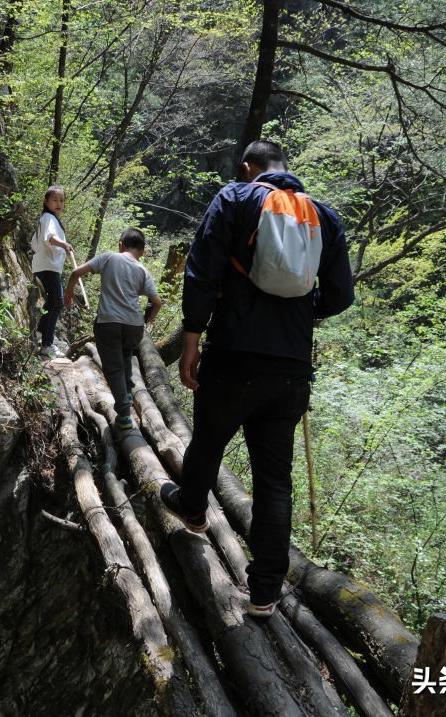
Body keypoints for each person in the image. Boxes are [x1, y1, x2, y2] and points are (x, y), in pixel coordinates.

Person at [160, 140, 354, 618]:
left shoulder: (235, 198)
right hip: (290, 369)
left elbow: (202, 272)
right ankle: (265, 591)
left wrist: (191, 339)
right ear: (287, 168)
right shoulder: (323, 218)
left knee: (207, 441)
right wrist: (303, 312)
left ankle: (192, 507)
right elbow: (341, 296)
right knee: (275, 481)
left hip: (233, 356)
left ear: (250, 168)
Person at [64, 228, 162, 430]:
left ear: (120, 245)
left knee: (114, 367)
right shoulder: (143, 270)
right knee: (125, 355)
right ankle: (126, 391)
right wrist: (148, 319)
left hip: (109, 322)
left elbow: (76, 272)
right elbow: (156, 302)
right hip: (134, 326)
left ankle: (124, 415)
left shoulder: (109, 258)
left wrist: (69, 293)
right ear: (142, 251)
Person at [32, 185, 75, 358]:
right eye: (55, 200)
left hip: (47, 265)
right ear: (46, 201)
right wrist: (64, 244)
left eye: (61, 200)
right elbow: (50, 238)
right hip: (47, 265)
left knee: (52, 303)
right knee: (57, 303)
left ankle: (43, 335)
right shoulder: (48, 218)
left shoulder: (49, 218)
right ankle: (47, 345)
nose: (59, 203)